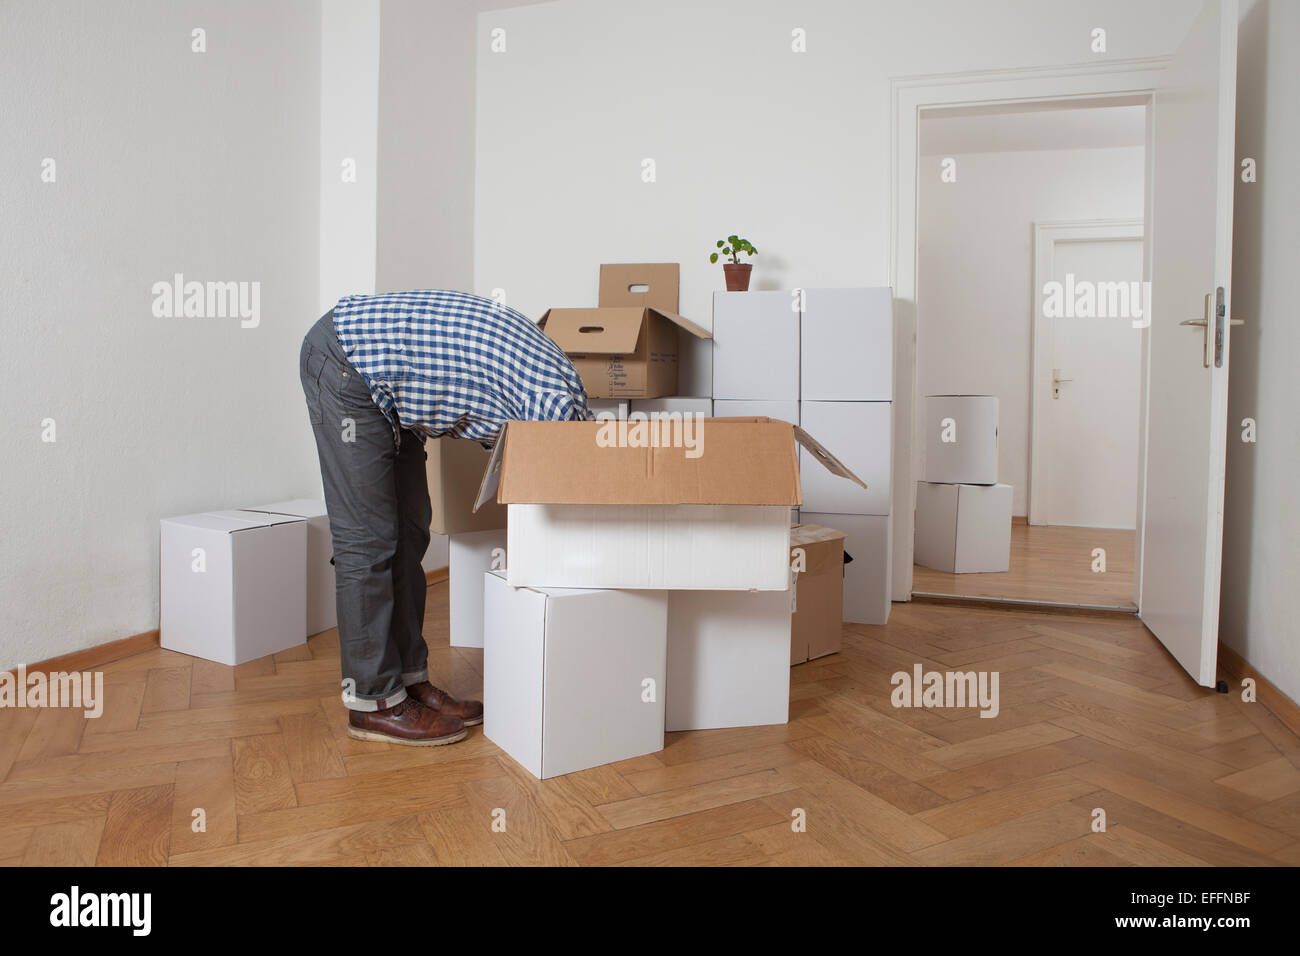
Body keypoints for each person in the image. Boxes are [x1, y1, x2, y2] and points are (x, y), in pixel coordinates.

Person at [298, 290, 590, 746]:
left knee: (411, 531)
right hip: (349, 361)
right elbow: (540, 508)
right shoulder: (550, 419)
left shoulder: (564, 407)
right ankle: (373, 701)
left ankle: (410, 682)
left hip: (395, 382)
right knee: (368, 541)